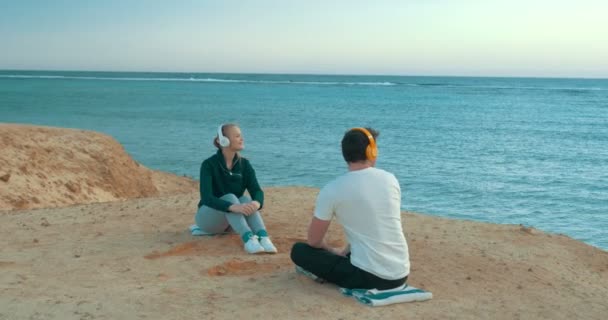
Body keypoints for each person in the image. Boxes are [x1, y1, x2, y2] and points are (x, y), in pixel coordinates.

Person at [290, 127, 410, 289]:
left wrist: (331, 250)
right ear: (371, 151)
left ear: (345, 154)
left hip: (370, 278)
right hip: (400, 273)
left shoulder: (332, 189)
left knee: (299, 250)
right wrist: (346, 250)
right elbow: (374, 224)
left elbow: (314, 240)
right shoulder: (390, 179)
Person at [194, 123, 277, 254]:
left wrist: (256, 203)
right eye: (237, 136)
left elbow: (257, 190)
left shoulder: (245, 164)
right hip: (207, 219)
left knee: (245, 198)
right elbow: (207, 198)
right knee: (231, 197)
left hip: (230, 222)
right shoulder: (209, 164)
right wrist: (232, 207)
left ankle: (263, 237)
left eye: (241, 136)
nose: (242, 139)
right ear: (224, 140)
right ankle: (248, 239)